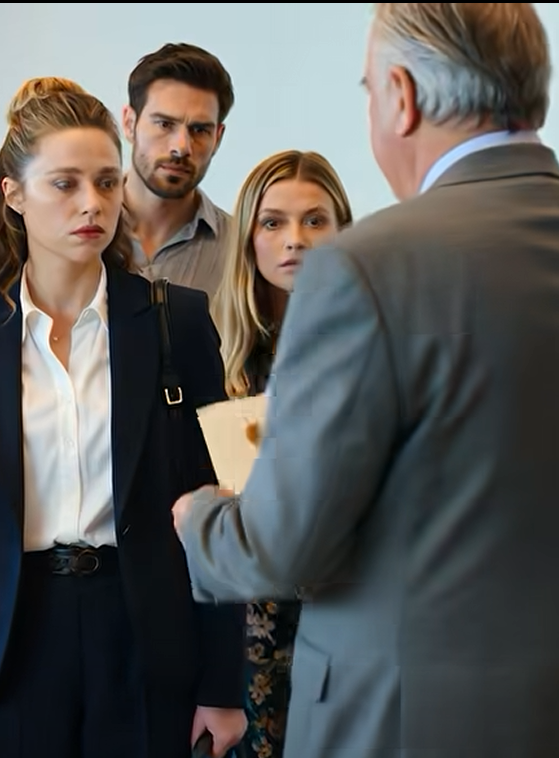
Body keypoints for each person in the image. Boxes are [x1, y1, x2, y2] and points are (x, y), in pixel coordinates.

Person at [173, 3, 559, 757]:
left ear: (400, 95)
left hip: (402, 716)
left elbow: (281, 547)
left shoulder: (368, 267)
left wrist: (200, 519)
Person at [0, 77, 247, 758]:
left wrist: (222, 683)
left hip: (147, 628)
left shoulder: (177, 319)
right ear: (13, 194)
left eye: (107, 182)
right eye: (64, 184)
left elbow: (220, 511)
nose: (93, 204)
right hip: (9, 635)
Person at [211, 150, 352, 758]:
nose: (295, 239)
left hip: (346, 610)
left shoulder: (368, 349)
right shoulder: (214, 360)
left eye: (315, 220)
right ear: (248, 237)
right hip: (244, 626)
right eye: (273, 222)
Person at [121, 42, 235, 300]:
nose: (181, 147)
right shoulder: (76, 228)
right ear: (129, 124)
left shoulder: (241, 251)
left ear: (217, 138)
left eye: (199, 130)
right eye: (164, 124)